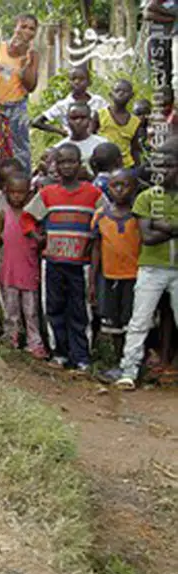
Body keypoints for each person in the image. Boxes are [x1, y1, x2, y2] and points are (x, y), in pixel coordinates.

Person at [25, 143, 104, 371]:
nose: (67, 166)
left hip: (81, 264)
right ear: (55, 166)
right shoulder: (47, 194)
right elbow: (27, 218)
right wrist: (37, 236)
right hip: (52, 263)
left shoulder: (93, 194)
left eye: (71, 161)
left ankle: (81, 357)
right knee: (54, 308)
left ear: (80, 164)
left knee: (80, 311)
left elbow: (105, 219)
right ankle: (59, 352)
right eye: (62, 162)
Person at [116, 138, 178, 390]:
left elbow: (155, 231)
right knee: (139, 320)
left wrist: (165, 226)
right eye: (159, 167)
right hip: (152, 268)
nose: (163, 172)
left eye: (169, 166)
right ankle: (128, 371)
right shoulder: (145, 198)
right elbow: (148, 237)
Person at [90, 169, 141, 370]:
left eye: (125, 185)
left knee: (133, 322)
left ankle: (134, 361)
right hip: (109, 277)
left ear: (134, 188)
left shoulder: (139, 216)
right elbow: (96, 248)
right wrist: (92, 282)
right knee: (114, 324)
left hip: (134, 277)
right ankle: (119, 361)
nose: (119, 190)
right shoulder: (101, 215)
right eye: (114, 185)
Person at [0, 171, 45, 357]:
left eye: (21, 193)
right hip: (9, 269)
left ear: (29, 193)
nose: (16, 196)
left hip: (29, 269)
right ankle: (11, 337)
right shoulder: (3, 213)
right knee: (10, 307)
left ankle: (34, 343)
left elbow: (40, 242)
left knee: (31, 310)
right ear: (6, 192)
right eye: (12, 192)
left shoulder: (33, 215)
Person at [0, 14, 40, 171]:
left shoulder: (32, 55)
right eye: (23, 26)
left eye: (31, 29)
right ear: (15, 27)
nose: (27, 31)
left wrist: (25, 63)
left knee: (19, 150)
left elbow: (31, 86)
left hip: (16, 107)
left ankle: (22, 182)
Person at [31, 64, 107, 139]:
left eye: (81, 79)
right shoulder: (63, 105)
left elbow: (109, 118)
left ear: (89, 82)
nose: (77, 82)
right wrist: (62, 132)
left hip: (95, 142)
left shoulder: (98, 101)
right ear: (69, 82)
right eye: (73, 79)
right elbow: (36, 122)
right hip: (72, 143)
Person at [50, 102, 110, 171]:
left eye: (83, 118)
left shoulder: (102, 144)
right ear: (67, 121)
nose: (78, 121)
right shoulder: (59, 148)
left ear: (90, 120)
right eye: (74, 118)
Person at [98, 80, 145, 169]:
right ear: (110, 94)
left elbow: (134, 148)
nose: (120, 94)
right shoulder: (100, 115)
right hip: (103, 163)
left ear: (131, 95)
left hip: (125, 165)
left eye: (125, 91)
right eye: (117, 91)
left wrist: (137, 169)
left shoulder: (135, 121)